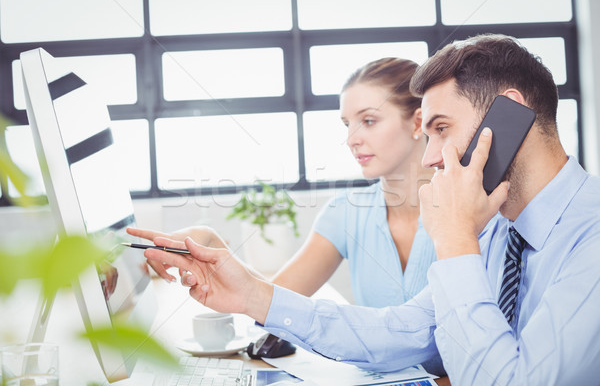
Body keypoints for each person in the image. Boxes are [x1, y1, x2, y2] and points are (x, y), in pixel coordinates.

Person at [143, 33, 600, 384]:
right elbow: (402, 331)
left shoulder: (588, 237)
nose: (430, 156)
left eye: (441, 128)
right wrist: (251, 296)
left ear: (509, 114)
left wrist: (456, 241)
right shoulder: (497, 226)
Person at [128, 57, 436, 308]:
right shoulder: (344, 214)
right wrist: (211, 242)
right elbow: (272, 300)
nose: (352, 139)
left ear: (418, 122)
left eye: (368, 121)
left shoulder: (473, 210)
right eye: (347, 124)